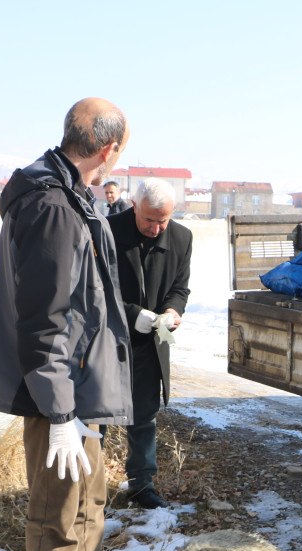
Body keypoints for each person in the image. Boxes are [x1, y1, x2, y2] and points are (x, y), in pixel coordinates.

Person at [0, 97, 143, 551]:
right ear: (108, 149)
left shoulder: (76, 194)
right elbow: (44, 321)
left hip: (81, 385)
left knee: (91, 497)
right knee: (57, 506)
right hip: (59, 392)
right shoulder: (51, 205)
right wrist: (59, 413)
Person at [109, 177, 191, 509]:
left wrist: (172, 310)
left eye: (163, 221)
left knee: (144, 414)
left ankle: (141, 484)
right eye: (149, 220)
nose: (156, 229)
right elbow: (96, 288)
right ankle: (88, 489)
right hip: (109, 338)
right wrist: (132, 314)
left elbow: (180, 287)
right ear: (134, 206)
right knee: (98, 414)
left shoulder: (182, 238)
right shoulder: (108, 231)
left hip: (151, 343)